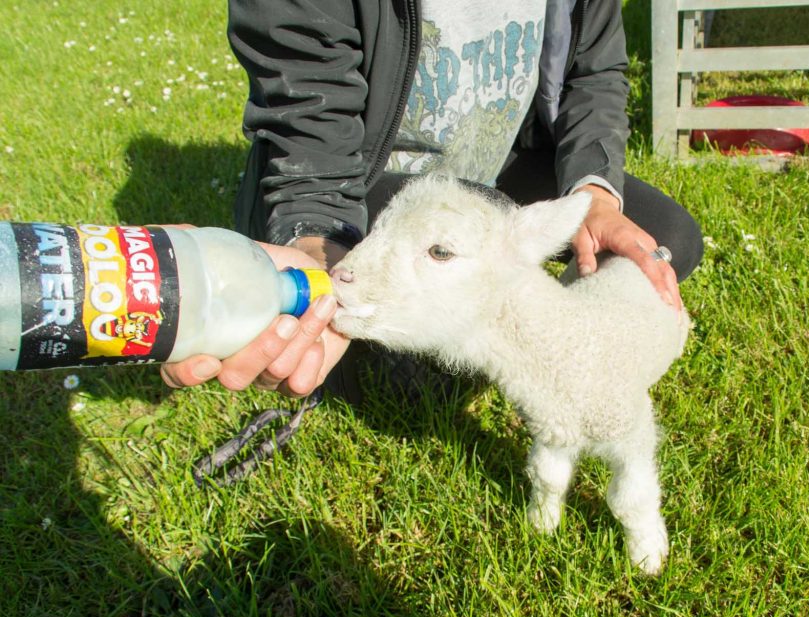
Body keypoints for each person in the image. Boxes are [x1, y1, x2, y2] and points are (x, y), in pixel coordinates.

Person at [161, 0, 704, 399]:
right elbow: (307, 120)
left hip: (494, 172)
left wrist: (594, 194)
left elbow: (595, 71)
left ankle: (508, 323)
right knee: (410, 386)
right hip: (370, 182)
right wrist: (316, 257)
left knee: (668, 240)